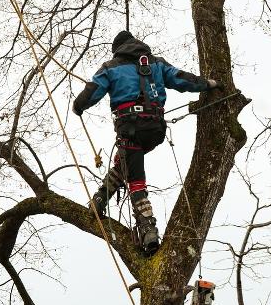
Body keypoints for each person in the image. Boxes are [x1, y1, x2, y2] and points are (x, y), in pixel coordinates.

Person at [72, 30, 220, 255]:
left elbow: (93, 91)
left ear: (118, 49)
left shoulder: (110, 67)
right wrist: (208, 84)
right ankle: (100, 199)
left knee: (136, 178)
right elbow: (182, 79)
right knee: (126, 164)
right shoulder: (155, 64)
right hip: (155, 131)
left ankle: (147, 227)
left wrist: (78, 106)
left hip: (130, 129)